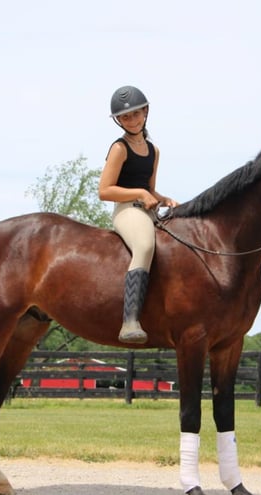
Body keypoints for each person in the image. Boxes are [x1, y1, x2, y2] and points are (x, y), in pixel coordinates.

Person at [98, 85, 178, 343]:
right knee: (144, 246)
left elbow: (150, 188)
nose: (131, 120)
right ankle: (129, 321)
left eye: (135, 114)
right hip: (127, 212)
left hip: (147, 210)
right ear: (118, 121)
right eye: (125, 117)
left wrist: (162, 198)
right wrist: (140, 195)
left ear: (146, 111)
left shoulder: (154, 151)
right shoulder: (119, 148)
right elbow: (105, 190)